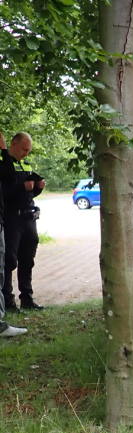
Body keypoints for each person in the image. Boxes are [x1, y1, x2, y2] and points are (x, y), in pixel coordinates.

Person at [1, 131, 45, 312]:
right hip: (12, 219)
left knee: (28, 259)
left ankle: (27, 297)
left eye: (29, 151)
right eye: (24, 149)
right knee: (9, 260)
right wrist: (21, 186)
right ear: (13, 145)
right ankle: (8, 301)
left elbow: (28, 194)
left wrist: (38, 188)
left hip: (29, 218)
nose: (26, 153)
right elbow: (4, 194)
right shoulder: (4, 165)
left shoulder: (26, 165)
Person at [0, 131, 27, 336]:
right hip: (6, 218)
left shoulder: (19, 163)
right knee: (5, 264)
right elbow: (8, 180)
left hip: (15, 217)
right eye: (24, 149)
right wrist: (2, 150)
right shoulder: (5, 159)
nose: (26, 153)